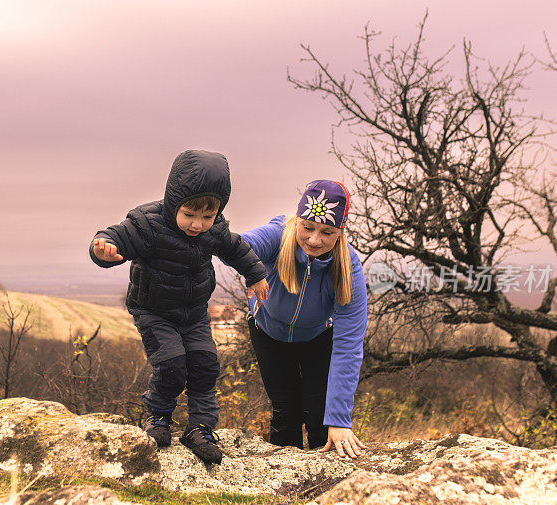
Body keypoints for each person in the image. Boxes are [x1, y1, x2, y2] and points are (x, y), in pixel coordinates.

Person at [89, 149, 269, 464]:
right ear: (174, 201)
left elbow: (236, 248)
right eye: (189, 214)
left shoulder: (214, 228)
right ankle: (158, 418)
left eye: (206, 217)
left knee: (205, 363)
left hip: (194, 313)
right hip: (154, 311)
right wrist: (102, 248)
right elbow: (116, 236)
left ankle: (200, 428)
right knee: (172, 364)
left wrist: (255, 274)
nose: (197, 225)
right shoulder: (148, 223)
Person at [241, 179, 368, 458]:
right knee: (285, 412)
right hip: (268, 332)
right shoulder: (278, 235)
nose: (314, 240)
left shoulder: (348, 267)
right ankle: (282, 491)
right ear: (297, 220)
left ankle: (327, 490)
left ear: (340, 232)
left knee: (321, 417)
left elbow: (348, 346)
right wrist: (252, 271)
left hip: (317, 337)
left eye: (327, 232)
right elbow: (238, 246)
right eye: (307, 227)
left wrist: (339, 420)